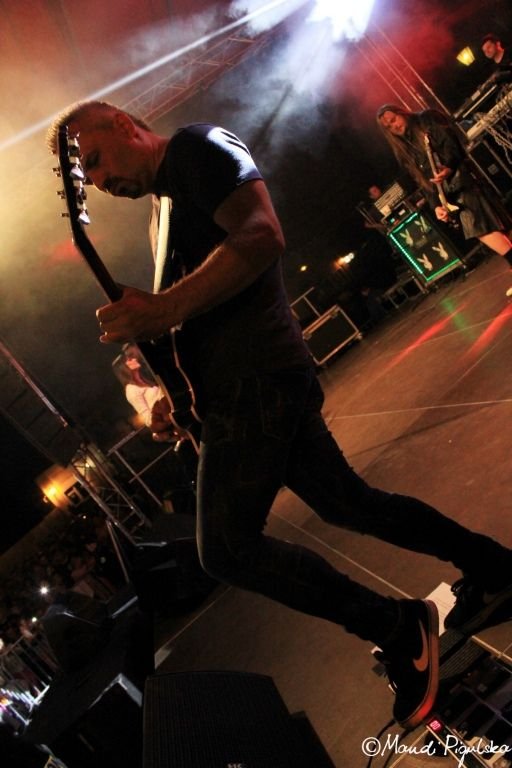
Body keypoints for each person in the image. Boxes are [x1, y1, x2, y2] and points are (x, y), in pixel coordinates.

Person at [47, 101, 512, 730]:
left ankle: (399, 627)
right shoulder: (163, 211)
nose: (101, 180)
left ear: (124, 124)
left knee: (226, 549)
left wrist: (161, 310)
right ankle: (493, 565)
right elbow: (199, 315)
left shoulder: (199, 148)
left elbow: (262, 235)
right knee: (351, 503)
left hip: (257, 383)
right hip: (243, 386)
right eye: (92, 176)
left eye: (97, 159)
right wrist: (179, 399)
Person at [376, 104, 512, 297]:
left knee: (483, 228)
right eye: (389, 127)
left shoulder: (427, 119)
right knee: (496, 226)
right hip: (450, 194)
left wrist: (448, 167)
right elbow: (424, 181)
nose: (394, 126)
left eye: (393, 119)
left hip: (465, 182)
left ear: (401, 113)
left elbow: (452, 144)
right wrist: (437, 206)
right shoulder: (405, 150)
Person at [113, 344, 163, 427]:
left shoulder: (144, 378)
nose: (133, 359)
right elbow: (148, 419)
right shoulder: (131, 390)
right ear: (124, 368)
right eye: (129, 359)